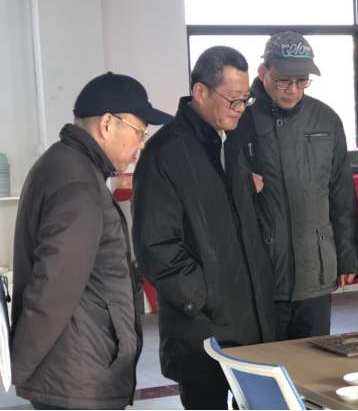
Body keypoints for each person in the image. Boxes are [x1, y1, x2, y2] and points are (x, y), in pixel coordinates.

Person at [10, 72, 174, 410]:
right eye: (140, 131)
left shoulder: (62, 164)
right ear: (107, 124)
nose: (142, 143)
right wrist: (17, 368)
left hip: (74, 369)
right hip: (78, 379)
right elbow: (54, 288)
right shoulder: (79, 183)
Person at [132, 46, 276, 410]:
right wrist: (205, 297)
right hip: (201, 325)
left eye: (246, 98)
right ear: (200, 91)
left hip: (252, 321)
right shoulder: (164, 152)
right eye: (233, 99)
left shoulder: (231, 142)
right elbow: (156, 247)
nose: (241, 108)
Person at [246, 32, 358, 342]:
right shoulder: (242, 119)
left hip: (316, 268)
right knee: (266, 363)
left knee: (314, 361)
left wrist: (349, 256)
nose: (293, 90)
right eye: (284, 81)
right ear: (263, 71)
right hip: (264, 272)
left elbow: (341, 194)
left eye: (302, 81)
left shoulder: (326, 119)